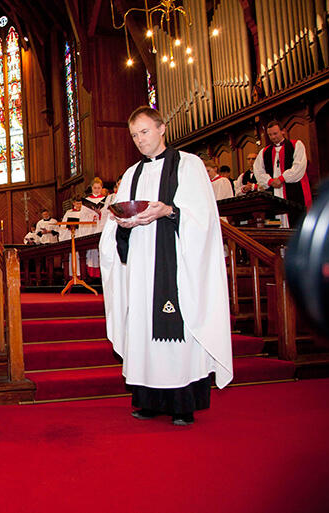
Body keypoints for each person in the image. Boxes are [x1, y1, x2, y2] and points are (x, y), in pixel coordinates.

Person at [98, 106, 233, 426]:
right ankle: (148, 399)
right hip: (142, 268)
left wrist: (168, 211)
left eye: (144, 132)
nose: (140, 140)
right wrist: (123, 225)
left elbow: (203, 218)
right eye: (134, 135)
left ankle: (183, 403)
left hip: (176, 264)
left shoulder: (188, 165)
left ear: (161, 129)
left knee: (179, 325)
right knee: (143, 327)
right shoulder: (131, 174)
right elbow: (114, 224)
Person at [252, 120, 311, 227]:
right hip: (273, 192)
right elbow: (258, 171)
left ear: (283, 131)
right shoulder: (264, 152)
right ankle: (278, 242)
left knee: (296, 222)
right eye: (270, 135)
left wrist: (282, 179)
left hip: (293, 192)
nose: (273, 137)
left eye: (275, 133)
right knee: (273, 222)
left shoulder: (296, 145)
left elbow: (299, 167)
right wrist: (269, 181)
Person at [59, 197, 98, 277]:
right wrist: (69, 227)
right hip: (72, 235)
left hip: (82, 235)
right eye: (77, 203)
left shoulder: (86, 212)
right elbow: (63, 225)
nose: (79, 205)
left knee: (84, 256)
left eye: (80, 203)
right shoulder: (69, 213)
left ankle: (83, 275)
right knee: (73, 256)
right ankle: (73, 275)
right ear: (73, 203)